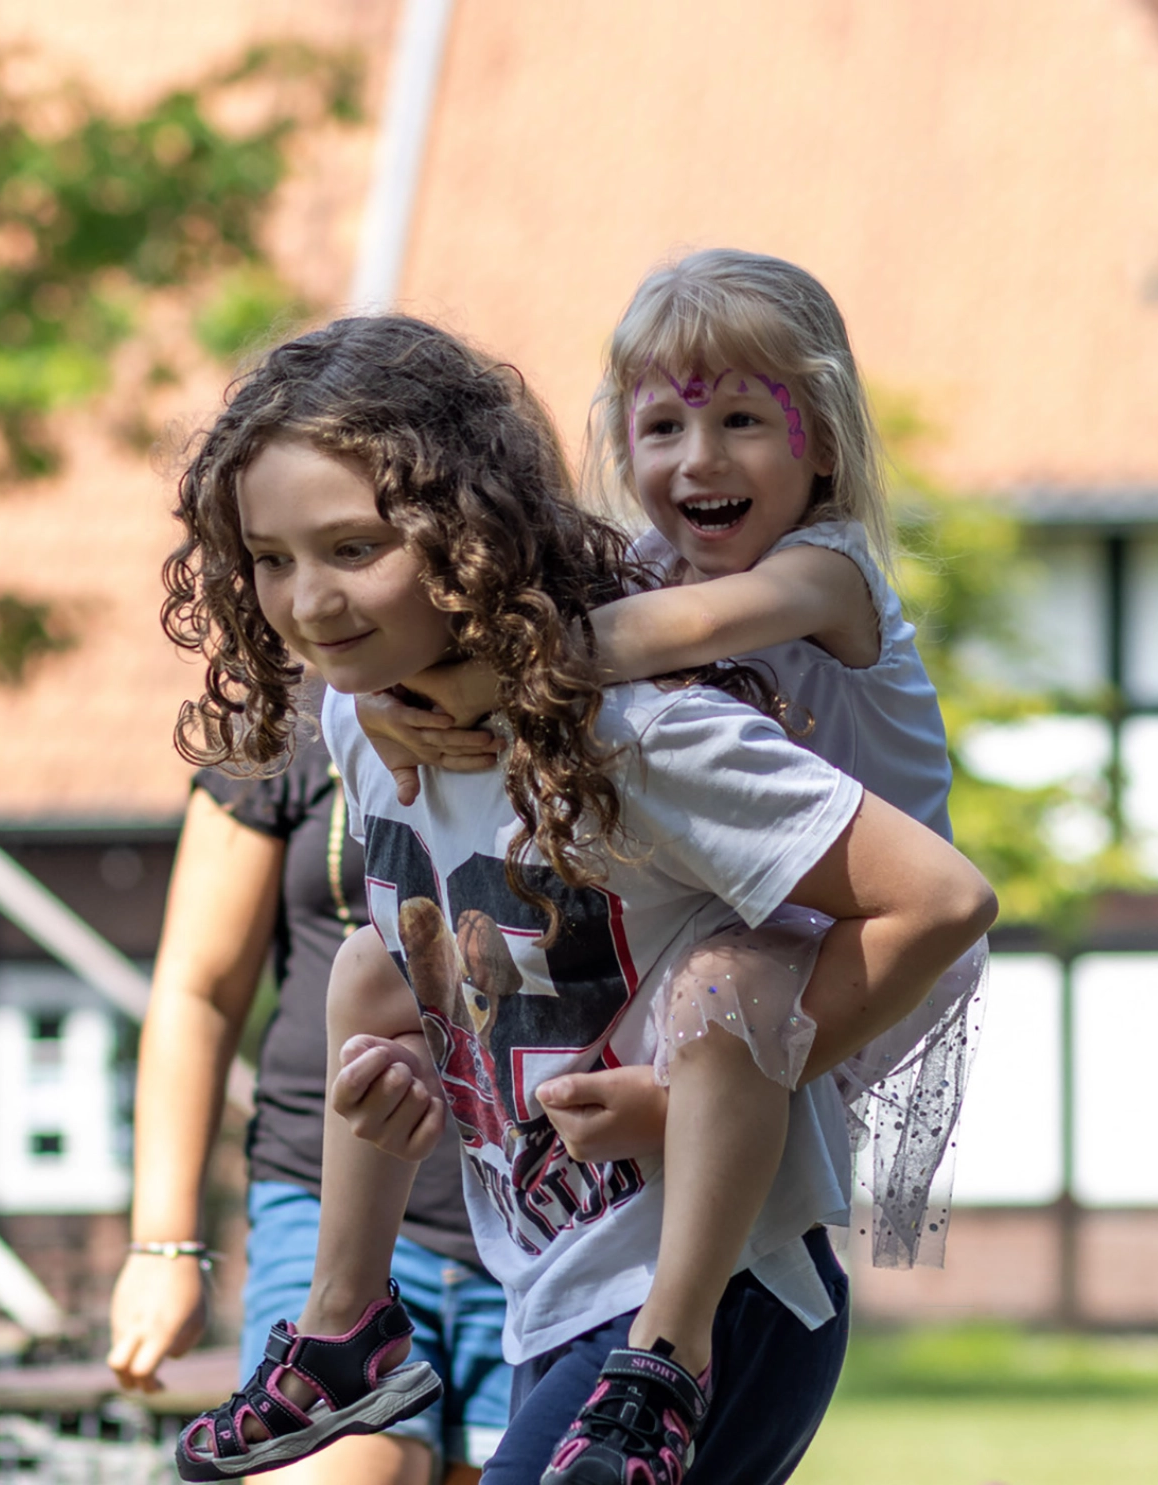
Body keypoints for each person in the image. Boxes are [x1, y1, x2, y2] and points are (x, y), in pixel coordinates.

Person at [159, 314, 999, 1485]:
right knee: (375, 960)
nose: (308, 601)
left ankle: (652, 1349)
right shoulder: (362, 717)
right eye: (271, 557)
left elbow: (945, 902)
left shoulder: (643, 737)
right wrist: (425, 1071)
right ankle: (347, 1330)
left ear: (467, 535)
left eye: (353, 549)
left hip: (718, 1299)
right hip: (552, 1285)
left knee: (724, 983)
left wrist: (684, 1098)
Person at [103, 708, 510, 1484]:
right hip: (330, 1209)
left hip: (550, 1217)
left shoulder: (572, 679)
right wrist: (162, 1243)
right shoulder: (287, 710)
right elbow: (200, 989)